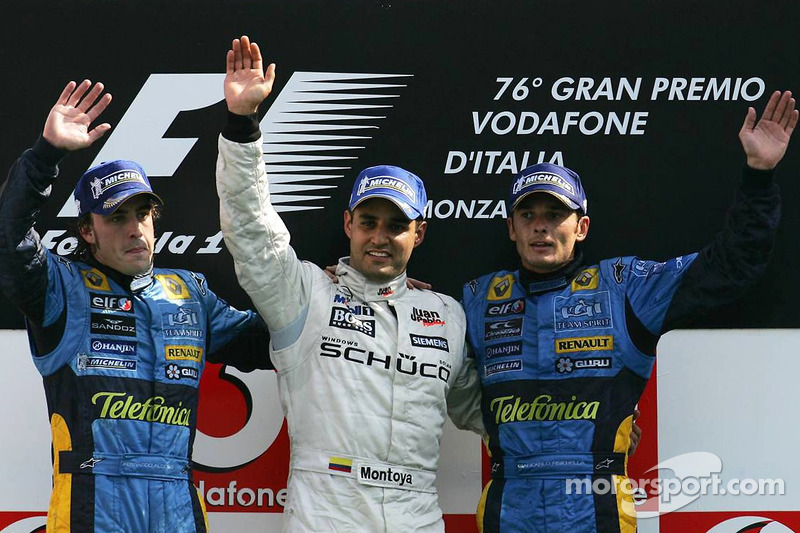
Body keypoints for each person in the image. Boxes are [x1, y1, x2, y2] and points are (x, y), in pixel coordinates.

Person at [461, 90, 797, 532]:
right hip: (508, 507)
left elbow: (730, 267)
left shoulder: (625, 287)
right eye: (528, 214)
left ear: (581, 227)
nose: (540, 225)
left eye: (555, 214)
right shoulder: (476, 298)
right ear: (512, 227)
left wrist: (759, 175)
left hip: (594, 506)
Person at [215, 36, 485, 531]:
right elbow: (251, 230)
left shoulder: (447, 314)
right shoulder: (305, 295)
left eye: (396, 225)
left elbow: (488, 409)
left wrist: (585, 432)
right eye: (369, 222)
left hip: (417, 515)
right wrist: (242, 125)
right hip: (326, 512)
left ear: (418, 233)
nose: (379, 238)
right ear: (348, 224)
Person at [0, 79, 270, 533]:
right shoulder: (62, 289)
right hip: (92, 505)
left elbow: (273, 340)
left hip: (178, 508)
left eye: (142, 214)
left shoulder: (190, 294)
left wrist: (341, 290)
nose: (135, 229)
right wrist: (46, 155)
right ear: (87, 231)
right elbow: (10, 244)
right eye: (117, 217)